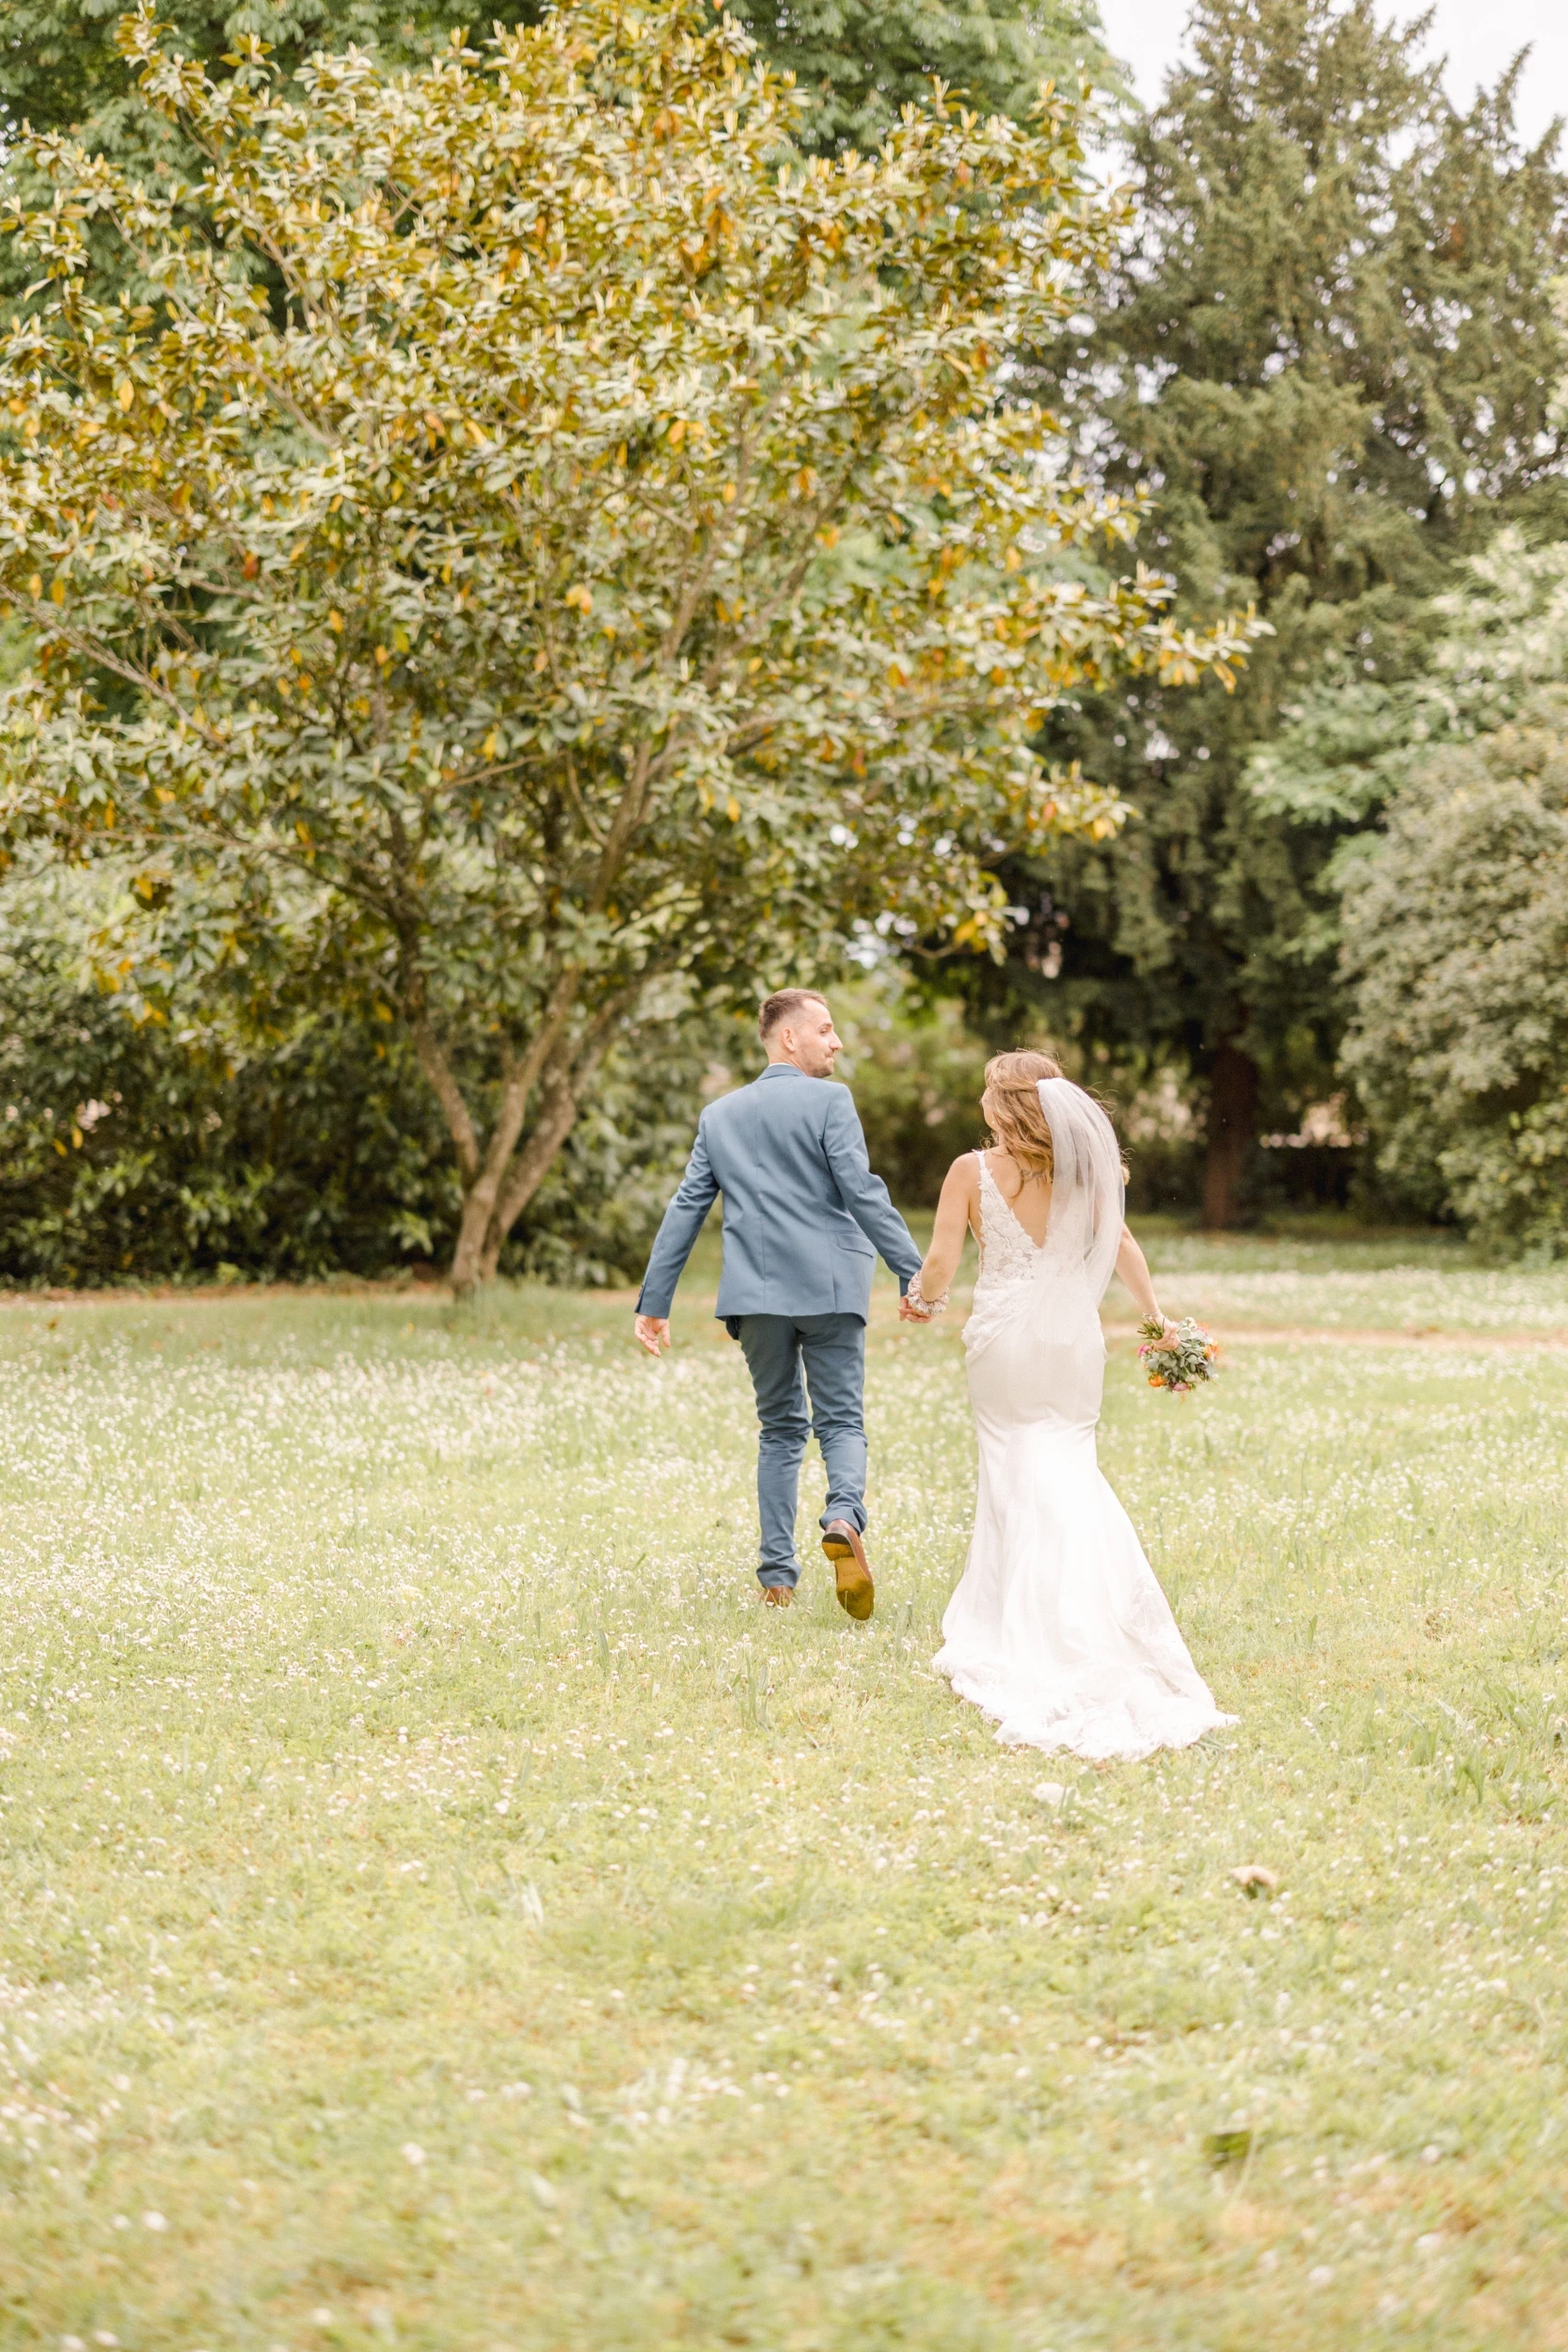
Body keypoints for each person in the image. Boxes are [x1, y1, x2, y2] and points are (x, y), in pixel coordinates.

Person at [903, 1050, 1235, 1760]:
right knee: (1066, 1465)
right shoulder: (1088, 1175)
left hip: (1001, 1344)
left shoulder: (971, 1171)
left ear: (1004, 1103)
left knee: (1014, 1465)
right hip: (1071, 1344)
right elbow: (1120, 1246)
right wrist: (1157, 1323)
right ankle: (1086, 1608)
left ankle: (1025, 1623)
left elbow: (939, 1264)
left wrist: (920, 1301)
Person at [634, 990, 924, 1616]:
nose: (836, 1041)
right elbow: (862, 1191)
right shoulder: (830, 1101)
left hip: (756, 1295)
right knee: (840, 1421)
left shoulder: (719, 1115)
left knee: (780, 1430)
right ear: (788, 1038)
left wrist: (653, 1301)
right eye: (825, 1029)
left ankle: (776, 1579)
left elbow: (686, 1208)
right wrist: (911, 1270)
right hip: (829, 1289)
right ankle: (843, 1518)